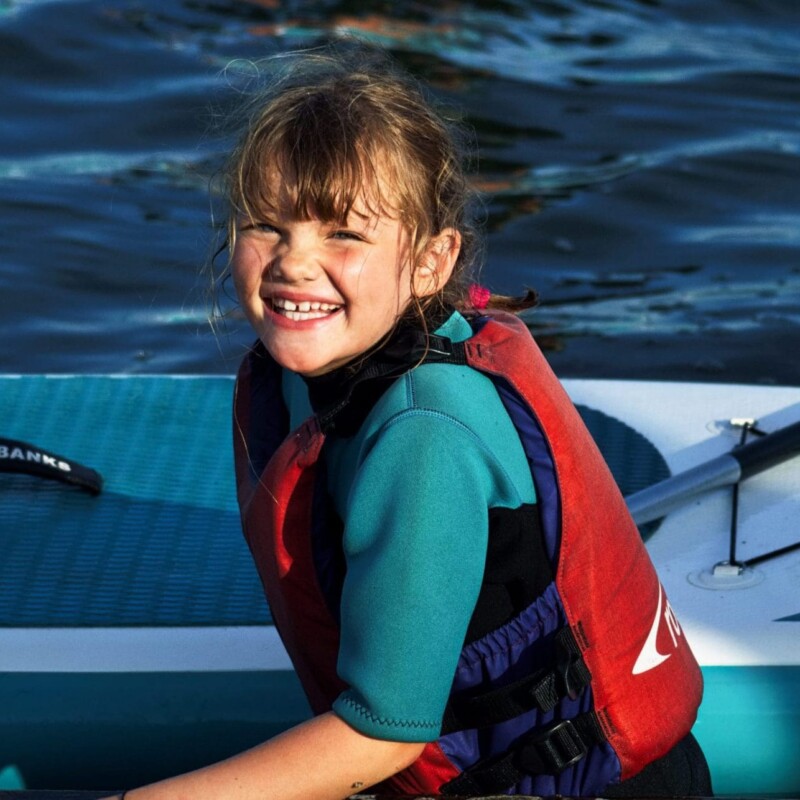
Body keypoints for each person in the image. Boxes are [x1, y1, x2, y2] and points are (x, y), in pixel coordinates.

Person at [109, 44, 712, 800]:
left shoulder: (424, 438)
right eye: (267, 226)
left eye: (344, 235)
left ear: (431, 262)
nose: (294, 263)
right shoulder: (330, 362)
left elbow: (381, 734)